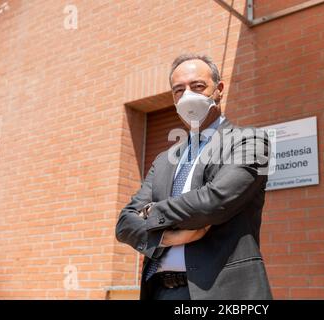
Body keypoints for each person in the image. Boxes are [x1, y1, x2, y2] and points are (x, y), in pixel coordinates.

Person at [116, 53, 272, 300]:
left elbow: (215, 201)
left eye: (198, 86)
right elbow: (124, 223)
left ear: (219, 90)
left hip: (221, 292)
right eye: (179, 90)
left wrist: (152, 212)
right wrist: (165, 237)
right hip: (159, 291)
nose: (188, 95)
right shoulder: (164, 159)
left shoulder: (249, 142)